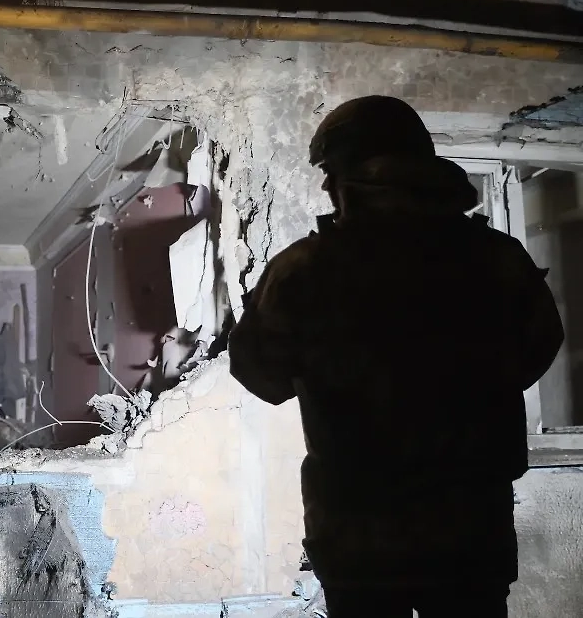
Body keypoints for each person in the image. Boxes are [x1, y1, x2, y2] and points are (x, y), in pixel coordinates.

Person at [228, 96, 564, 617]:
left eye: (330, 171)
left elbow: (261, 375)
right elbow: (537, 349)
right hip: (469, 532)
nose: (325, 186)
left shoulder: (307, 268)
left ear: (356, 173)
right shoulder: (496, 258)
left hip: (360, 537)